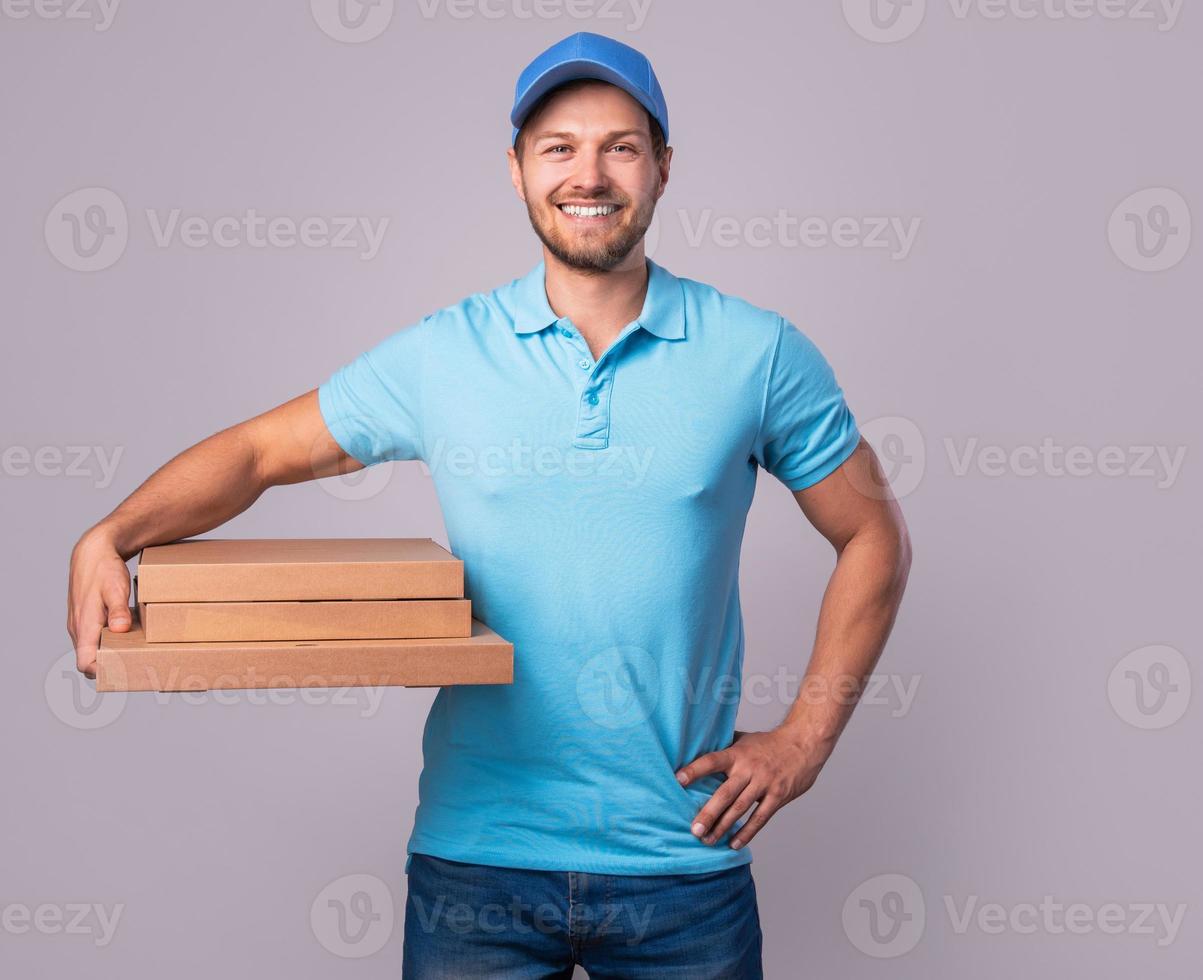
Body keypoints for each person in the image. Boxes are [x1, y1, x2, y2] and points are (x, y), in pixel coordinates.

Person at [67, 31, 912, 979]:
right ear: (514, 170)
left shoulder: (756, 354)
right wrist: (112, 534)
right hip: (478, 868)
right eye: (557, 147)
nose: (587, 173)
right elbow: (262, 452)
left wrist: (804, 740)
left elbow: (871, 531)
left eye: (619, 146)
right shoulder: (444, 356)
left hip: (682, 867)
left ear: (663, 169)